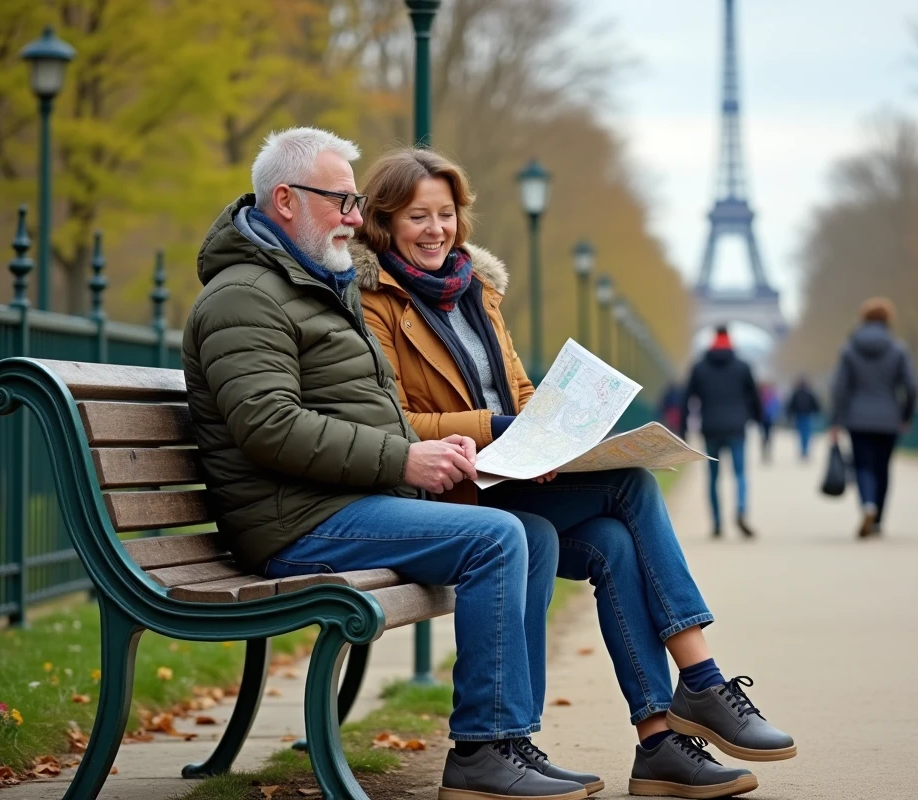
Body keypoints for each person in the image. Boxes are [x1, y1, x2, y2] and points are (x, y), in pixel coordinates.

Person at [355, 147, 794, 800]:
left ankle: (659, 743)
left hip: (506, 476)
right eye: (418, 216)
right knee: (631, 490)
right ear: (384, 220)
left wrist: (554, 435)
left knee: (615, 538)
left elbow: (519, 391)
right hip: (446, 490)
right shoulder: (372, 302)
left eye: (445, 214)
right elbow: (391, 420)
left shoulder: (477, 291)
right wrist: (500, 430)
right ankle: (701, 684)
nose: (435, 229)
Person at [181, 128, 592, 800]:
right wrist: (405, 459)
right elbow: (268, 426)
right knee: (497, 537)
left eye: (356, 202)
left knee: (535, 536)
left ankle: (512, 738)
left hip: (344, 500)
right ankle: (482, 751)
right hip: (295, 522)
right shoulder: (245, 296)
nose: (354, 218)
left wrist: (440, 449)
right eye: (341, 201)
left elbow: (369, 408)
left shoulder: (317, 284)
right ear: (284, 200)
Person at [829, 298, 918, 539]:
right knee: (882, 468)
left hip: (857, 418)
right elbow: (911, 386)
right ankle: (878, 520)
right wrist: (906, 415)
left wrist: (835, 421)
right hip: (889, 418)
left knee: (863, 466)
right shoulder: (898, 349)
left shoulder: (849, 349)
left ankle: (867, 504)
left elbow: (839, 388)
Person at [680, 326, 762, 539]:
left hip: (711, 428)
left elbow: (687, 398)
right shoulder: (742, 367)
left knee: (713, 478)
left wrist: (683, 429)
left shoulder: (699, 367)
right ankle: (741, 509)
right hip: (736, 427)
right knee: (740, 474)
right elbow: (754, 397)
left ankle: (717, 523)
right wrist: (758, 421)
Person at [785, 377, 822, 461]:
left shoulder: (796, 393)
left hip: (800, 415)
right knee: (806, 434)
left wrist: (789, 414)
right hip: (806, 415)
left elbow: (791, 405)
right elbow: (815, 404)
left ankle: (803, 450)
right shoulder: (809, 393)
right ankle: (805, 450)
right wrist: (817, 412)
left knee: (802, 434)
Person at [758, 383, 780, 464]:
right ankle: (766, 451)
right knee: (766, 436)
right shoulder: (770, 396)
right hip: (766, 419)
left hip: (766, 419)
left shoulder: (763, 396)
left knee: (765, 436)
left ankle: (766, 451)